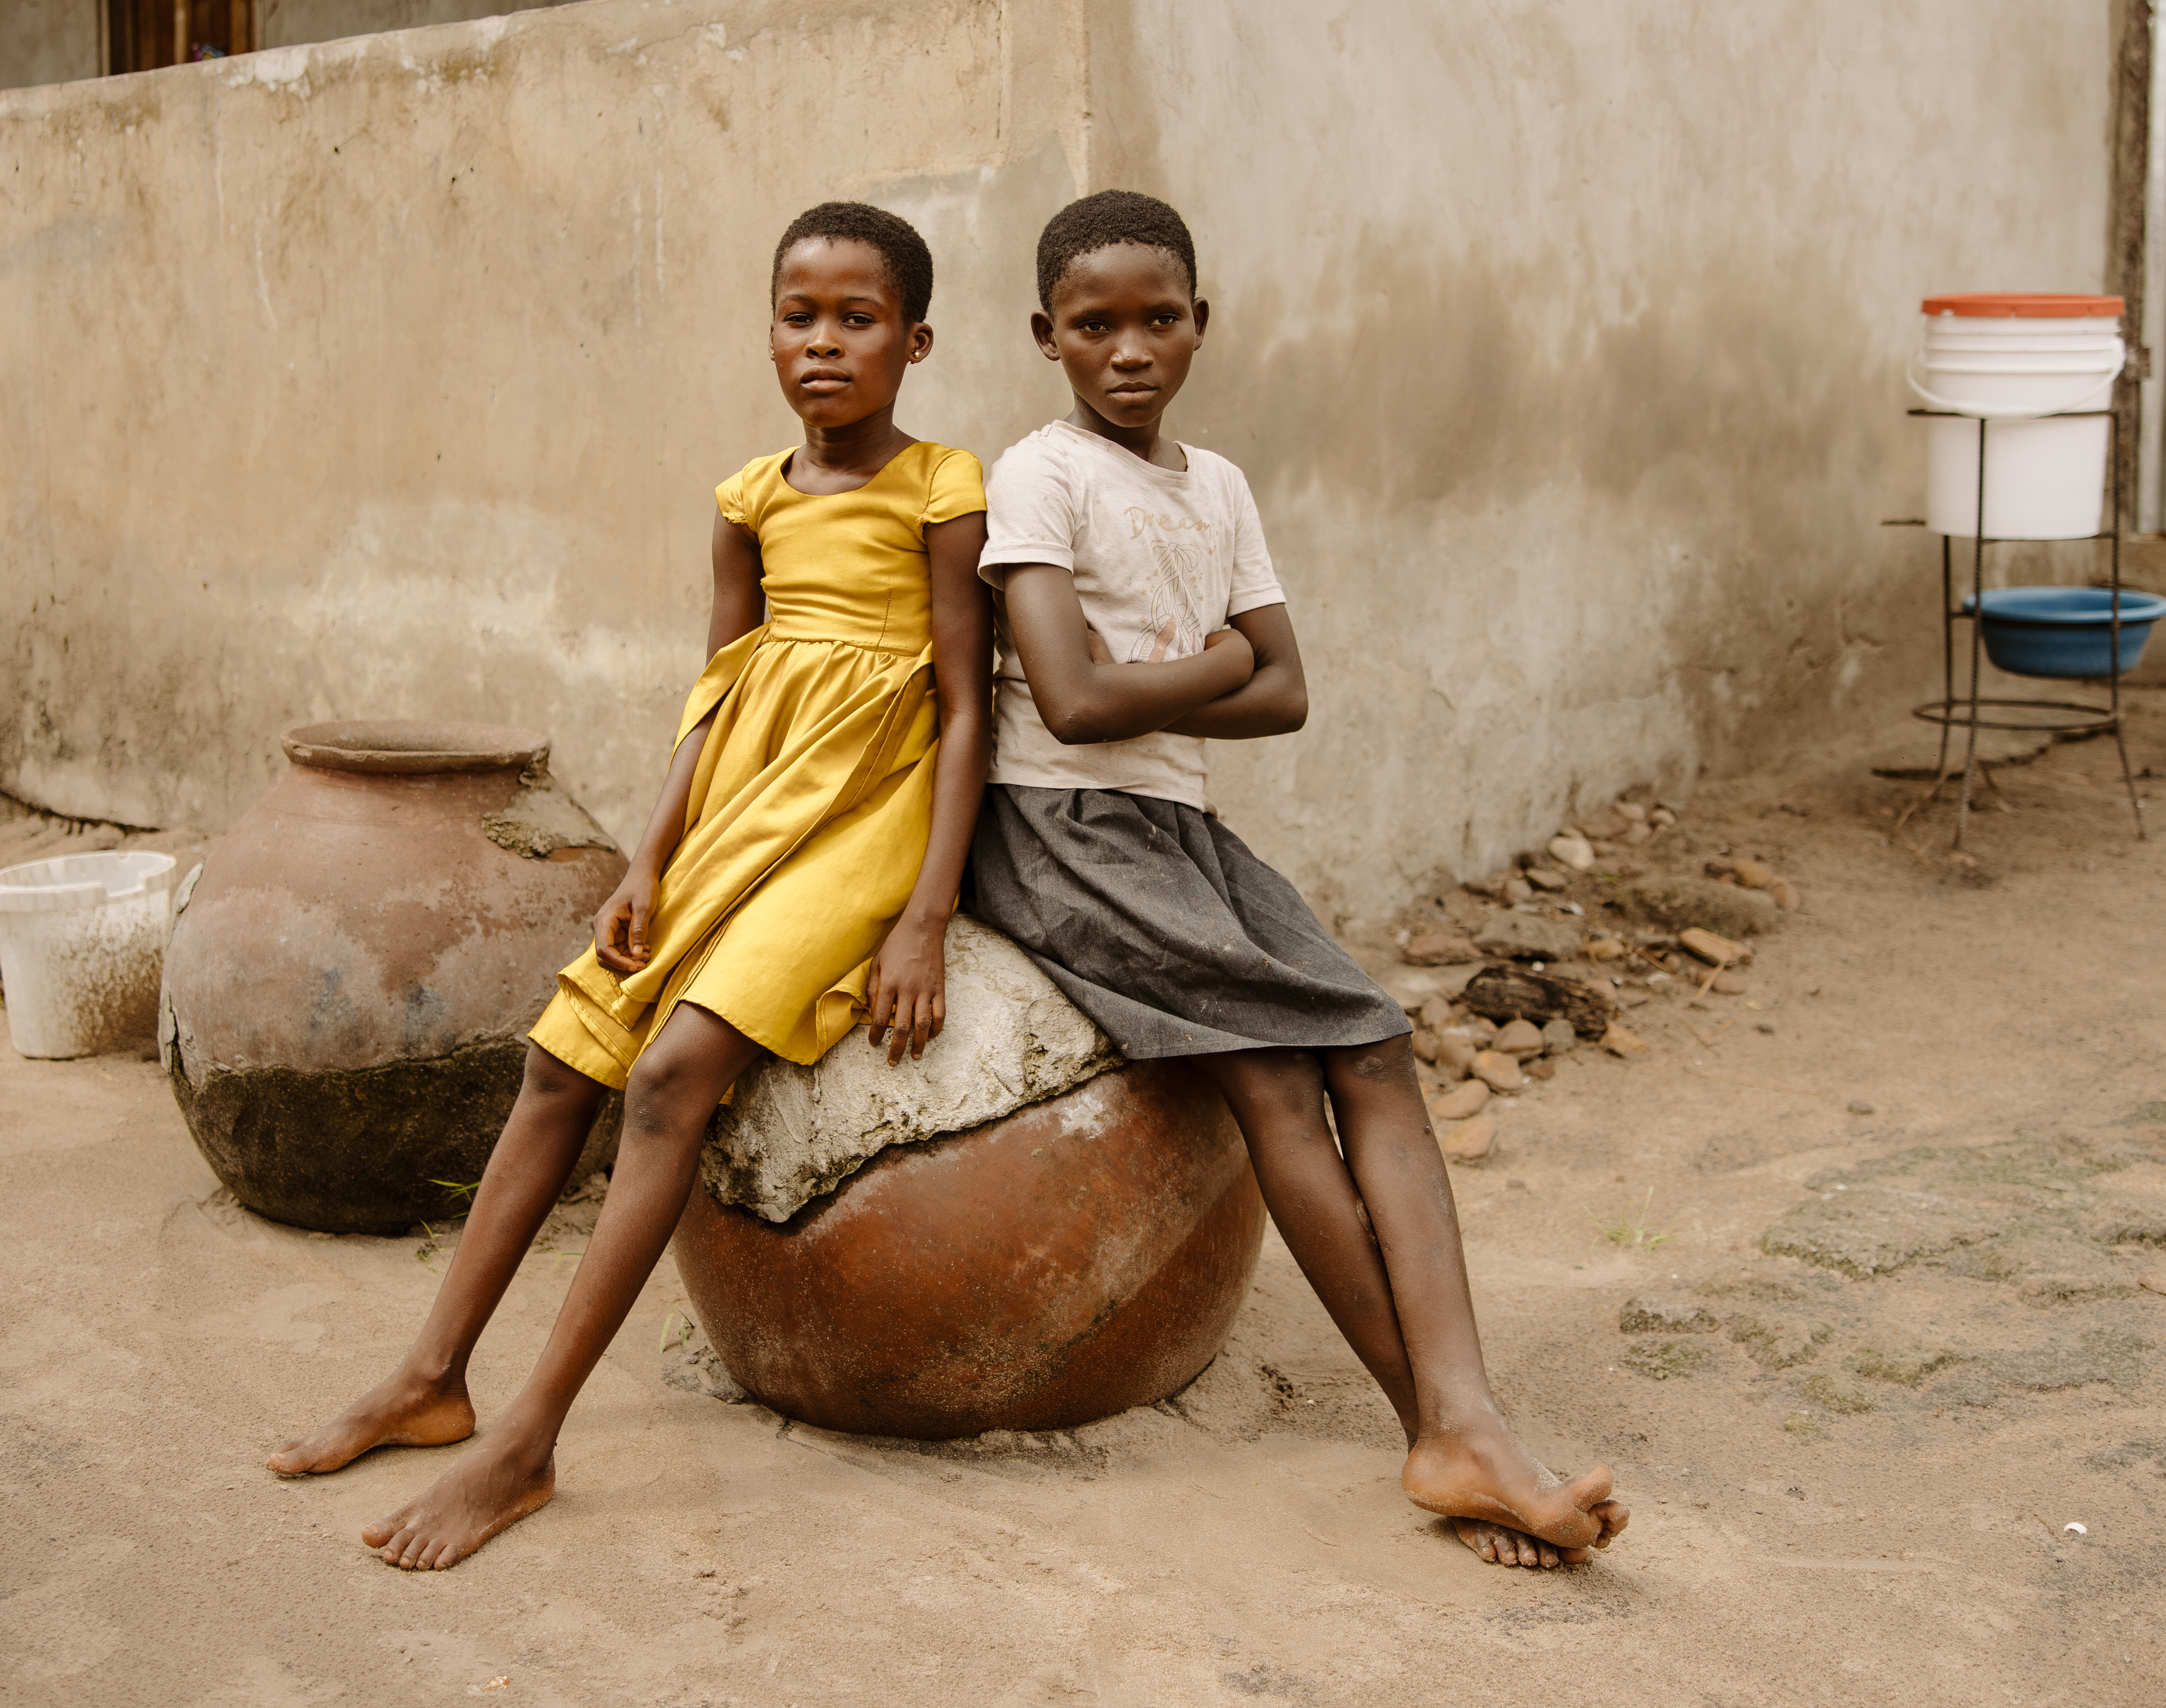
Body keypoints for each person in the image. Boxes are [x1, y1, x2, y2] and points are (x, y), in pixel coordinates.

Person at [266, 201, 993, 1570]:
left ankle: (530, 1439)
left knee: (668, 1077)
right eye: (798, 315)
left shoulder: (943, 488)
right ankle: (431, 1374)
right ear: (767, 332)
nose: (824, 344)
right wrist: (647, 859)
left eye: (857, 319)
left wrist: (924, 915)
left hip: (860, 824)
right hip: (736, 811)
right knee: (560, 1058)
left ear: (916, 339)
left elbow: (967, 707)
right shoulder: (749, 500)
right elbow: (714, 698)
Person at [960, 189, 1627, 1568]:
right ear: (1047, 337)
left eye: (1158, 319)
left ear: (1201, 323)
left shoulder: (1218, 486)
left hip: (1174, 829)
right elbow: (1078, 702)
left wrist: (1207, 677)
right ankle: (1451, 1430)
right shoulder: (1038, 475)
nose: (1128, 349)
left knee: (1371, 1046)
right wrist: (1208, 663)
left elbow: (1294, 695)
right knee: (1280, 1075)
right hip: (1064, 832)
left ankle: (1458, 1428)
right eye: (1094, 326)